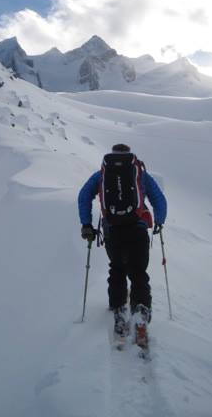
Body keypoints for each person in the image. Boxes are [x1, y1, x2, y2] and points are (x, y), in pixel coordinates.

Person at [77, 143, 167, 339]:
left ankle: (119, 310)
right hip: (138, 229)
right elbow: (159, 198)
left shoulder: (102, 173)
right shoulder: (139, 173)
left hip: (112, 231)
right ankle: (141, 313)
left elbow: (84, 196)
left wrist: (86, 224)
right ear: (129, 155)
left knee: (117, 268)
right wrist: (159, 220)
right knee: (138, 272)